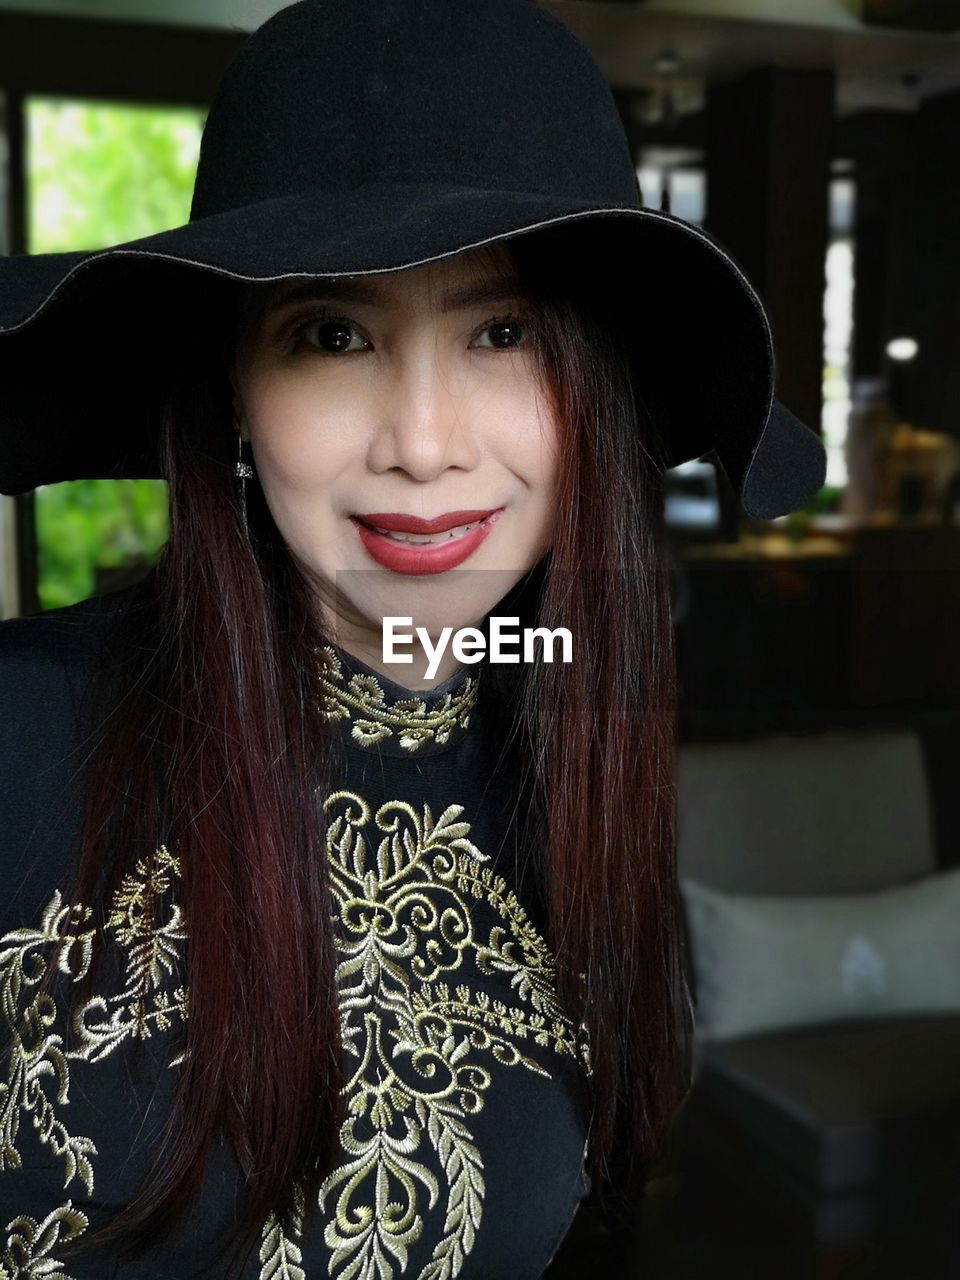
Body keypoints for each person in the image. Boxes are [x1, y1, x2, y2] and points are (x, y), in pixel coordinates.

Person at [0, 2, 827, 1278]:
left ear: (589, 386)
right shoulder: (20, 735)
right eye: (333, 335)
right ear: (233, 384)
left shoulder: (568, 752)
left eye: (503, 333)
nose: (426, 442)